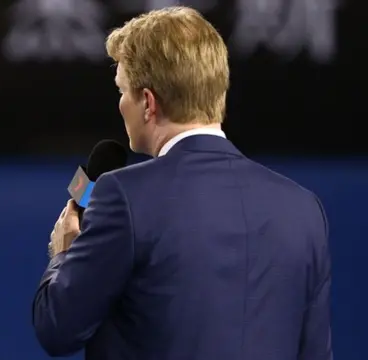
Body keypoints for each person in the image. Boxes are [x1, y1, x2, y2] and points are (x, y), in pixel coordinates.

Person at [32, 6, 332, 360]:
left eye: (122, 91)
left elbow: (57, 328)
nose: (120, 104)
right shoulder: (303, 208)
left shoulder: (124, 196)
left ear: (147, 103)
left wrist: (63, 253)